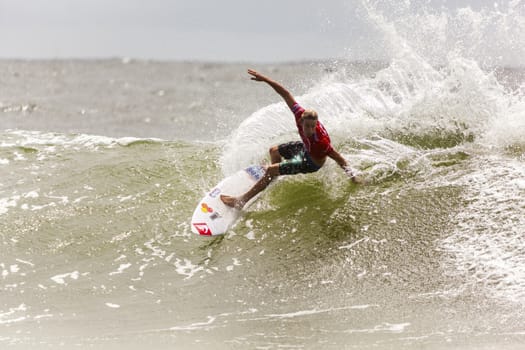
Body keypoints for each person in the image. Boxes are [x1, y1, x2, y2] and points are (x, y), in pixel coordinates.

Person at [220, 69, 358, 209]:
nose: (310, 130)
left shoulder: (320, 142)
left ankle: (241, 201)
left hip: (310, 162)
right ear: (301, 121)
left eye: (313, 126)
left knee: (270, 170)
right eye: (307, 126)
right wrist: (265, 79)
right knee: (274, 151)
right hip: (306, 149)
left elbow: (340, 159)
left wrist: (353, 178)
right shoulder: (299, 113)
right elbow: (285, 93)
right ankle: (273, 175)